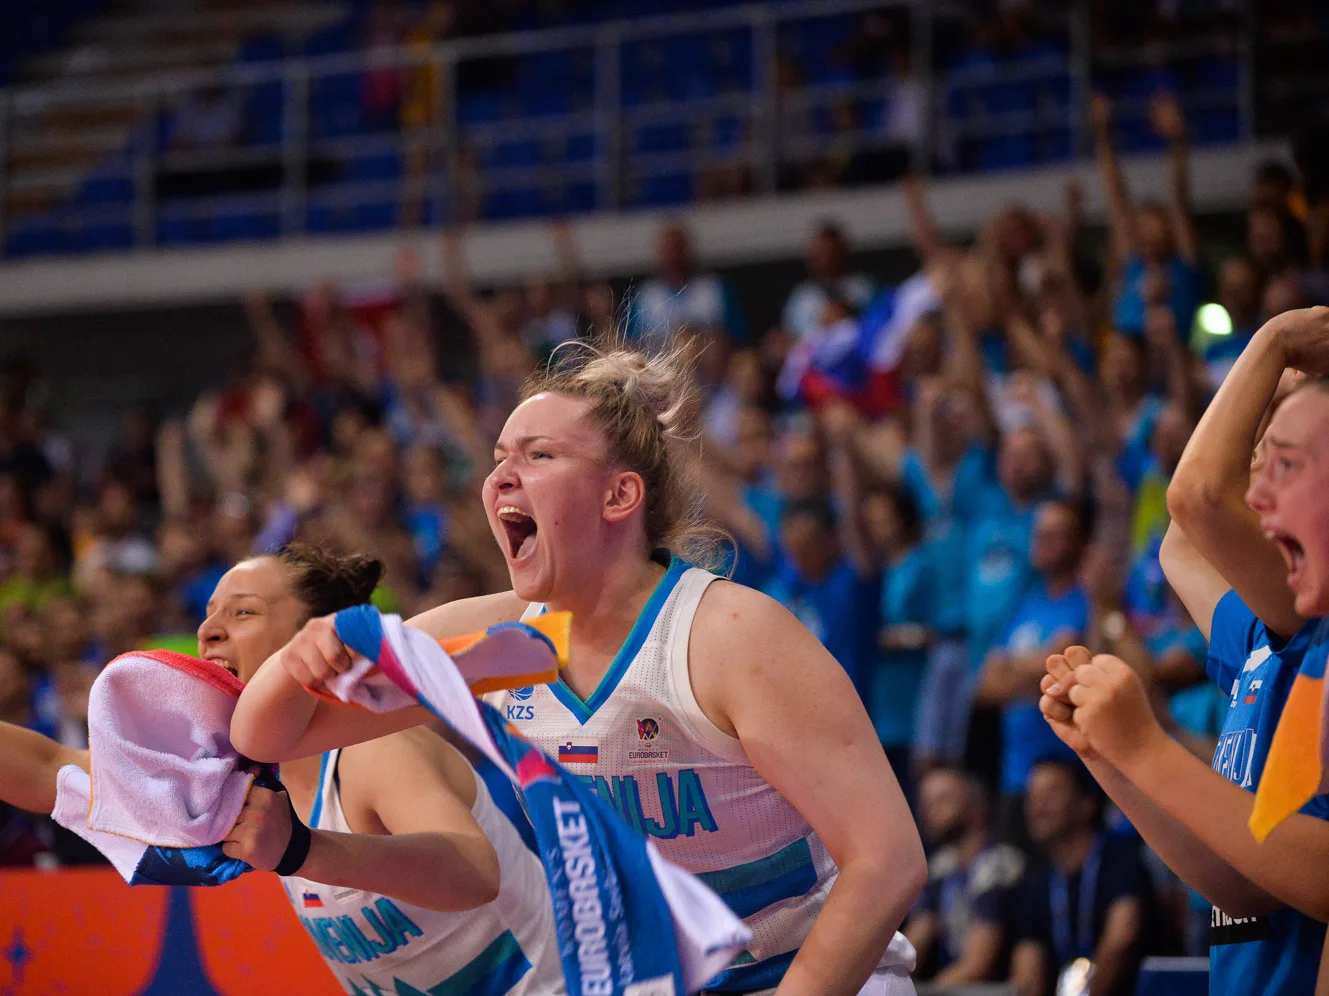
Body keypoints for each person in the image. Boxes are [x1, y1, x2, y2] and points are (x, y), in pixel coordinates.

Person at [233, 341, 927, 996]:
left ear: (618, 497)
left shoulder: (730, 637)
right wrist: (296, 661)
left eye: (538, 455)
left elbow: (887, 861)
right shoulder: (485, 640)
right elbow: (269, 737)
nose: (500, 476)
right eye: (498, 458)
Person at [0, 544, 563, 996]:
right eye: (209, 613)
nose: (208, 631)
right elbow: (49, 768)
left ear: (314, 638)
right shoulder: (230, 772)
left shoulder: (374, 747)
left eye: (242, 612)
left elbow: (477, 872)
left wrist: (302, 849)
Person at [1040, 308, 1329, 994]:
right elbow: (1242, 883)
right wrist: (1112, 755)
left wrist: (1272, 343)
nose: (1257, 486)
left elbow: (1196, 498)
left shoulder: (1303, 626)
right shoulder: (1262, 638)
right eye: (1255, 453)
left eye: (1284, 462)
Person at [1008, 759, 1154, 996]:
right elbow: (1027, 968)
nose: (1038, 806)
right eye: (1032, 795)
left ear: (1087, 803)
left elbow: (1122, 941)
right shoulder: (1038, 880)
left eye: (1052, 793)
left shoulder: (1120, 859)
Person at [975, 499, 1087, 802]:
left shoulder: (1085, 601)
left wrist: (1011, 668)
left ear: (1078, 541)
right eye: (1038, 533)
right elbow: (986, 685)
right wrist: (1037, 672)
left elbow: (1064, 665)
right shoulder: (1028, 601)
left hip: (1066, 773)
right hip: (1014, 772)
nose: (1041, 541)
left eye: (1054, 534)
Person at [906, 767, 1025, 985]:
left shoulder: (1000, 864)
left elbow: (978, 965)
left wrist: (928, 992)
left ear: (976, 808)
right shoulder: (940, 866)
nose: (928, 811)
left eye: (943, 800)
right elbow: (915, 941)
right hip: (951, 985)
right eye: (926, 803)